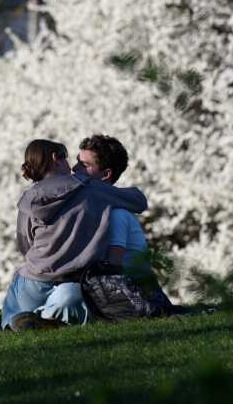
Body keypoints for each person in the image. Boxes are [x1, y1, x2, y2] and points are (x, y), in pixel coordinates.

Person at [0, 139, 148, 330]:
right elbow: (138, 201)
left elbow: (25, 242)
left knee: (12, 318)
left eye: (82, 164)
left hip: (32, 279)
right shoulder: (90, 189)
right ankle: (42, 319)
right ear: (55, 159)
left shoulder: (29, 197)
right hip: (71, 278)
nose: (75, 167)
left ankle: (6, 321)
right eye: (72, 160)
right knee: (72, 304)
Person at [72, 134, 181, 320]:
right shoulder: (100, 208)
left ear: (105, 174)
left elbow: (114, 265)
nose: (74, 169)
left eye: (85, 165)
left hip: (130, 292)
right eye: (77, 162)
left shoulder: (115, 214)